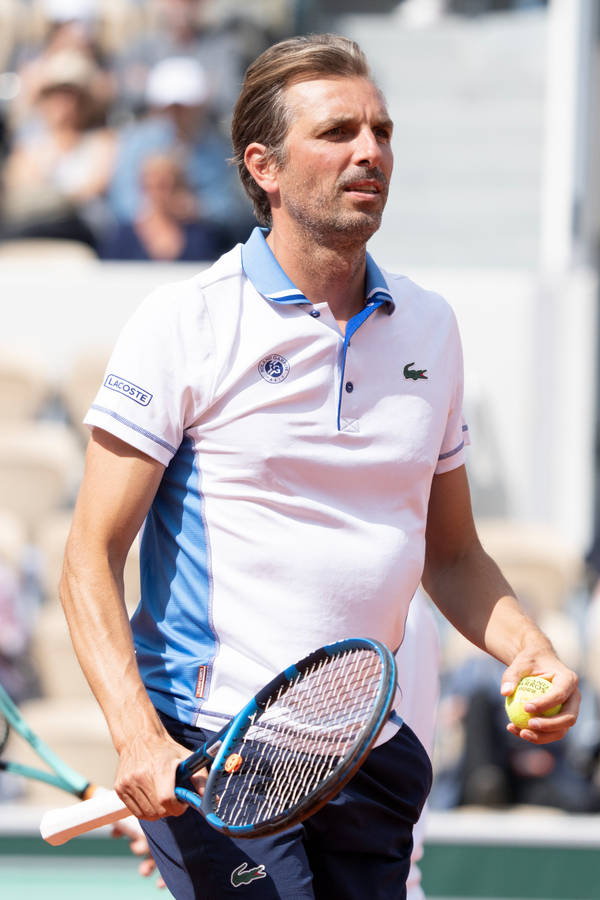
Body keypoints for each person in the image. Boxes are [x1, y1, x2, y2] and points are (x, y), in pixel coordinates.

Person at [59, 34, 580, 900]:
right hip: (217, 746)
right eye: (337, 131)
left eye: (381, 130)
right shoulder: (183, 321)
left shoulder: (431, 326)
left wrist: (527, 650)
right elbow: (88, 556)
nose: (369, 151)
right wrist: (136, 736)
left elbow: (449, 553)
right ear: (263, 166)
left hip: (367, 755)